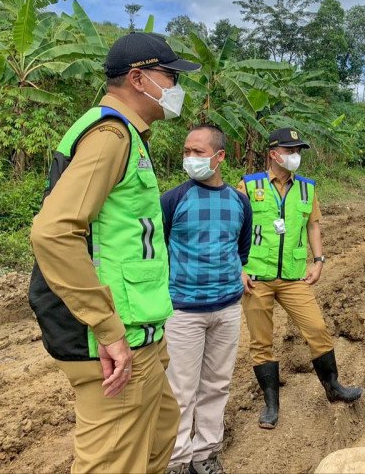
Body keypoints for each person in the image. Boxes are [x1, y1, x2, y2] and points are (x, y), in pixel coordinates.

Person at [28, 32, 200, 473]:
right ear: (139, 78)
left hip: (140, 332)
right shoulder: (110, 135)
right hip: (113, 343)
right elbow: (53, 232)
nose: (178, 88)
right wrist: (107, 328)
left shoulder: (127, 135)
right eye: (171, 76)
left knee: (161, 432)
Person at [236, 127, 363, 430]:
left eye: (298, 151)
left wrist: (318, 261)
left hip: (294, 277)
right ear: (273, 153)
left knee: (317, 328)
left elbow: (313, 226)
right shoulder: (248, 186)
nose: (295, 156)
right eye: (290, 150)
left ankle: (333, 387)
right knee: (261, 340)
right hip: (257, 276)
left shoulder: (307, 188)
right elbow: (234, 228)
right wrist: (237, 267)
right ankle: (270, 404)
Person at [161, 125, 252, 474]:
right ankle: (177, 460)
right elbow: (159, 250)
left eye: (198, 152)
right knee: (180, 390)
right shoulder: (173, 200)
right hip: (183, 310)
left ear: (219, 156)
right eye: (187, 151)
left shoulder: (239, 201)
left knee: (217, 384)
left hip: (228, 307)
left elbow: (240, 249)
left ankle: (206, 454)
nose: (190, 158)